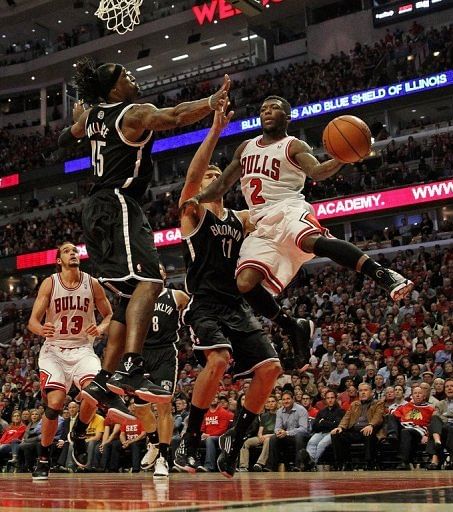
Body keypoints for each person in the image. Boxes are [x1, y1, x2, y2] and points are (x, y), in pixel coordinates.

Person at [58, 58, 230, 410]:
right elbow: (175, 116)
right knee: (151, 282)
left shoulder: (91, 117)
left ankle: (104, 380)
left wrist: (79, 116)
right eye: (126, 75)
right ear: (114, 89)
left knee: (129, 296)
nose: (133, 77)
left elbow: (66, 137)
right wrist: (210, 103)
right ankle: (132, 366)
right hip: (119, 203)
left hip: (97, 208)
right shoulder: (132, 113)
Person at [185, 96, 414, 347]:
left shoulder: (293, 146)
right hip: (261, 223)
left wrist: (341, 158)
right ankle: (293, 327)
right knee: (245, 282)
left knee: (308, 240)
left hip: (288, 209)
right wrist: (198, 197)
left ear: (287, 117)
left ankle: (382, 274)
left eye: (274, 108)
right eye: (263, 108)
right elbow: (221, 185)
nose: (267, 112)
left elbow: (317, 171)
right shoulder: (245, 148)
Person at [174, 100, 282, 478]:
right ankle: (188, 438)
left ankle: (234, 441)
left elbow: (276, 213)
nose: (212, 176)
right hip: (203, 304)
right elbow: (192, 176)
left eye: (219, 173)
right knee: (218, 360)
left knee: (270, 369)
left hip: (235, 305)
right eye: (209, 175)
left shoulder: (240, 218)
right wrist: (215, 131)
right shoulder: (194, 211)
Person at [27, 242, 114, 480]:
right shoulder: (50, 283)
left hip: (83, 349)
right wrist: (40, 329)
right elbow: (32, 321)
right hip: (54, 351)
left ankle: (79, 432)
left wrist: (102, 327)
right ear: (58, 260)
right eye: (66, 251)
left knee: (94, 392)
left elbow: (108, 314)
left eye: (74, 250)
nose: (72, 253)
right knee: (55, 403)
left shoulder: (92, 282)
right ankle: (44, 457)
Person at [132, 263, 189, 478]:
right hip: (142, 354)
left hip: (165, 354)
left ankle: (164, 458)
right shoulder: (137, 297)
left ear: (165, 275)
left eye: (161, 269)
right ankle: (154, 443)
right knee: (139, 408)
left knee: (164, 406)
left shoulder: (177, 296)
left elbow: (193, 311)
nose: (157, 272)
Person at [331, 383, 384, 470]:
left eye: (365, 390)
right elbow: (346, 417)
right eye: (360, 391)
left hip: (370, 430)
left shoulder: (378, 403)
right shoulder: (354, 404)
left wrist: (371, 425)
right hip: (354, 431)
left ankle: (369, 463)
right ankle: (343, 463)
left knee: (368, 433)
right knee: (336, 434)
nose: (363, 393)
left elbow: (378, 416)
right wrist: (340, 427)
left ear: (371, 393)